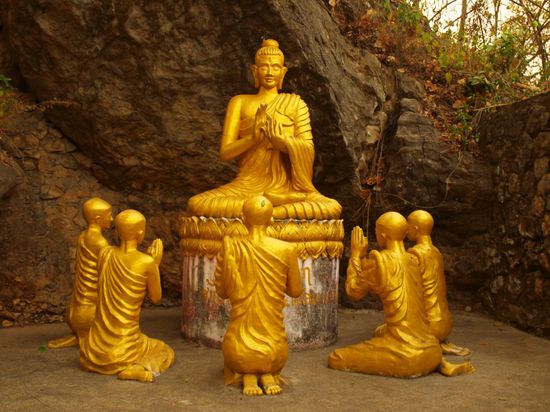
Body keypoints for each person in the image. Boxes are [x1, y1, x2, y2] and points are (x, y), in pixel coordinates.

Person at [187, 39, 341, 220]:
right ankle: (270, 212)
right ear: (255, 71)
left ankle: (265, 211)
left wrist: (282, 142)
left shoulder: (296, 104)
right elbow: (225, 152)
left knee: (331, 207)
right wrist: (252, 139)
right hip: (245, 187)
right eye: (264, 67)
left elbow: (307, 149)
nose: (269, 72)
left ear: (283, 72)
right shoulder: (239, 102)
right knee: (197, 203)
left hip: (285, 189)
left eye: (275, 67)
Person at [328, 212, 474, 377]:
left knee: (336, 358)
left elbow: (353, 291)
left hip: (408, 356)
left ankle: (412, 357)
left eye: (377, 231)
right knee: (380, 333)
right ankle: (439, 363)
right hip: (433, 349)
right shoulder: (413, 260)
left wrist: (355, 255)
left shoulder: (380, 262)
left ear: (383, 235)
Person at [215, 196, 303, 395]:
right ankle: (267, 375)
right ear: (271, 219)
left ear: (243, 218)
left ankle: (248, 375)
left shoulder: (230, 247)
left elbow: (222, 292)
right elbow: (295, 291)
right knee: (273, 347)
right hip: (275, 351)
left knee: (240, 348)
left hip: (237, 351)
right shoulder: (287, 249)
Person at [80, 209, 174, 382]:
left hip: (93, 351)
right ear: (140, 233)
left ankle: (109, 363)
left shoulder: (105, 254)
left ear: (117, 231)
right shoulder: (146, 262)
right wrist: (155, 265)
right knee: (165, 351)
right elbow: (156, 298)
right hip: (125, 347)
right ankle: (138, 368)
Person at [48, 197, 112, 349]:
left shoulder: (83, 235)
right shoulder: (100, 242)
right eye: (109, 215)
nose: (112, 218)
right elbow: (109, 271)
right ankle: (88, 336)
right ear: (98, 219)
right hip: (89, 311)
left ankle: (80, 334)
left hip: (76, 308)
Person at [407, 210, 470, 356]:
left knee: (383, 331)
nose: (406, 230)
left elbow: (409, 290)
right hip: (445, 323)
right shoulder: (436, 252)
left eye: (408, 226)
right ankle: (439, 342)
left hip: (428, 325)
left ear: (416, 228)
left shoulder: (415, 253)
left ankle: (429, 343)